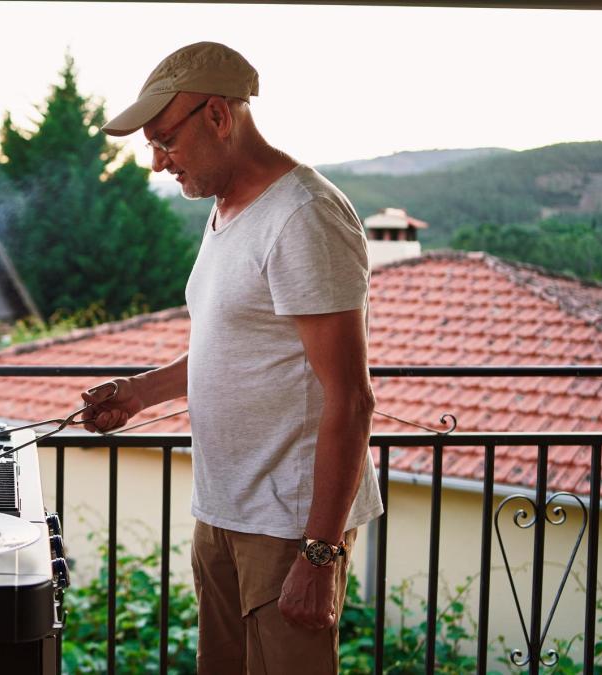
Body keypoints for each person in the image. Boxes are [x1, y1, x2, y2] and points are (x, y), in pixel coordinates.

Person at [83, 42, 384, 674]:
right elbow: (234, 347)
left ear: (218, 116)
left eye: (166, 141)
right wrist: (139, 392)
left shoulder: (303, 215)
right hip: (223, 510)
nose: (158, 162)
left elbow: (351, 398)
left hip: (288, 525)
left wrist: (320, 553)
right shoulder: (227, 210)